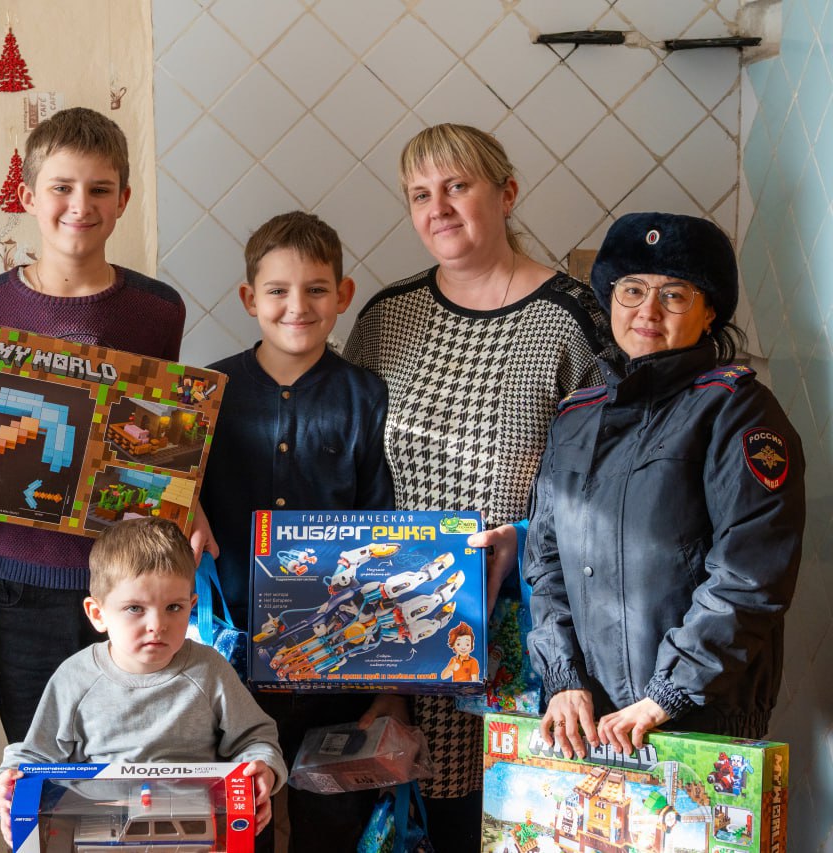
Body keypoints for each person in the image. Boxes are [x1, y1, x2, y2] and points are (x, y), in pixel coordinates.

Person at [342, 123, 611, 851]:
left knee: (511, 824)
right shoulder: (385, 317)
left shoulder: (571, 319)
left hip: (522, 632)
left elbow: (606, 485)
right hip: (395, 630)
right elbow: (353, 470)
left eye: (457, 186)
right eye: (419, 194)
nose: (439, 208)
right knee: (414, 823)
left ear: (507, 193)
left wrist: (519, 542)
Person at [0, 107, 187, 745]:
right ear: (27, 197)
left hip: (134, 585)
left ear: (124, 199)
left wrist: (187, 495)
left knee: (130, 764)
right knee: (37, 763)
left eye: (100, 189)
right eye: (62, 187)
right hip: (23, 581)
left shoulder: (159, 310)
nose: (81, 205)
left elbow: (162, 441)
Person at [524, 212, 805, 758]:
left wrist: (667, 692)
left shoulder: (737, 410)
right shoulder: (575, 417)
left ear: (709, 312)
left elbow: (751, 574)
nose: (647, 311)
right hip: (592, 719)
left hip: (699, 716)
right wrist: (563, 678)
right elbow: (547, 563)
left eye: (674, 295)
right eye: (632, 290)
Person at [196, 210, 394, 850]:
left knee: (331, 818)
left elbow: (384, 528)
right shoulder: (209, 393)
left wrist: (386, 680)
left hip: (337, 653)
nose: (297, 307)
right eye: (278, 290)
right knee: (236, 819)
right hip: (228, 651)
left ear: (344, 295)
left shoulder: (367, 397)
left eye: (316, 289)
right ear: (249, 298)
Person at [0, 518, 285, 846]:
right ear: (97, 614)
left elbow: (255, 739)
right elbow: (35, 757)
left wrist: (262, 770)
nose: (157, 624)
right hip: (98, 834)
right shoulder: (75, 677)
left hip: (192, 834)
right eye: (135, 608)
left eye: (174, 607)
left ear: (191, 606)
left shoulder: (209, 670)